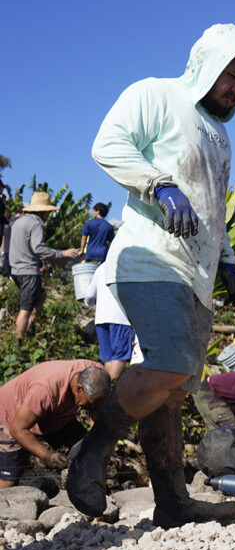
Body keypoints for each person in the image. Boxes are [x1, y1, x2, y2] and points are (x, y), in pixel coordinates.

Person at [67, 23, 235, 529]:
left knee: (171, 390)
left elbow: (213, 207)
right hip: (150, 259)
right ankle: (91, 452)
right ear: (205, 65)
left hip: (195, 274)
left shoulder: (219, 135)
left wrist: (227, 262)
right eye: (229, 76)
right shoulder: (156, 94)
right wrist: (158, 184)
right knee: (171, 364)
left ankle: (172, 502)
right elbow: (108, 144)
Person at [0, 361, 110, 489]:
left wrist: (99, 446)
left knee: (87, 445)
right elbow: (17, 428)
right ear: (78, 388)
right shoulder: (45, 390)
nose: (90, 408)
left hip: (54, 414)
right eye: (90, 403)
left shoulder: (97, 374)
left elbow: (96, 408)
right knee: (8, 481)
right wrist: (47, 455)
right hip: (11, 416)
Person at [7, 192, 81, 339]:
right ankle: (19, 344)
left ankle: (28, 329)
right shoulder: (36, 223)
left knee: (41, 296)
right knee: (25, 309)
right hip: (28, 272)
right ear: (43, 211)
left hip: (16, 270)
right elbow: (38, 248)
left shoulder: (17, 222)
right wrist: (63, 253)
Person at [84, 260, 135, 380]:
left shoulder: (101, 267)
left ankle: (104, 392)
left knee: (108, 358)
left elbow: (89, 295)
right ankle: (112, 393)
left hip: (101, 319)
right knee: (119, 356)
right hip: (121, 318)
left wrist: (90, 303)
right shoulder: (129, 263)